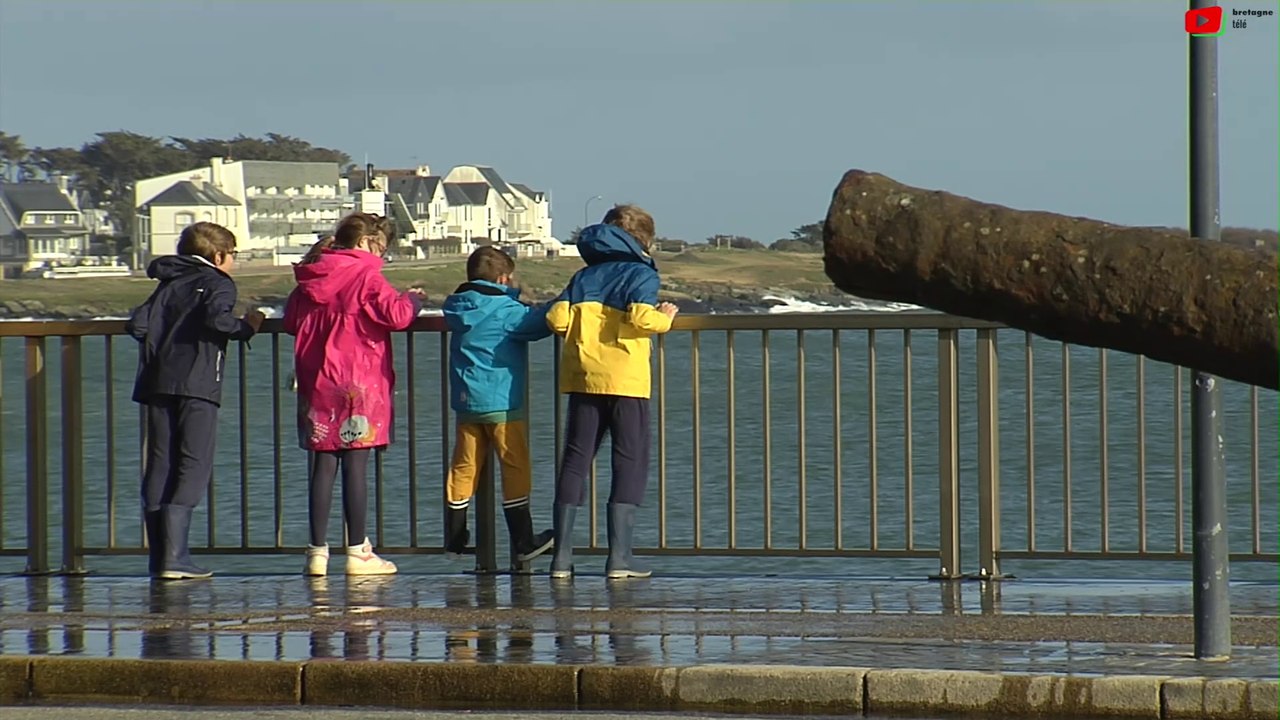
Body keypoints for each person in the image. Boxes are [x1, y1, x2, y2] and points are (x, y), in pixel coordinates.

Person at [283, 213, 425, 577]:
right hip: (360, 383)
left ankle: (317, 552)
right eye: (378, 246)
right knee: (356, 466)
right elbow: (396, 316)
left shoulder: (310, 278)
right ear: (364, 243)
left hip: (317, 381)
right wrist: (413, 299)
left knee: (323, 465)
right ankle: (358, 551)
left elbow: (290, 322)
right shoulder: (366, 276)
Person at [545, 205, 679, 580]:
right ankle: (619, 557)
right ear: (643, 240)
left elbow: (556, 319)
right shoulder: (641, 273)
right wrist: (665, 318)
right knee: (629, 460)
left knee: (575, 459)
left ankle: (561, 560)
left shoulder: (584, 275)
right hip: (625, 379)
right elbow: (640, 318)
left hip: (582, 377)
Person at [126, 221, 265, 580]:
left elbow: (138, 325)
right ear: (218, 255)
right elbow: (216, 321)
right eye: (232, 254)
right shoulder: (219, 282)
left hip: (156, 380)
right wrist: (246, 327)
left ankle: (160, 557)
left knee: (160, 462)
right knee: (193, 463)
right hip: (197, 383)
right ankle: (176, 557)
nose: (233, 261)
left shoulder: (168, 282)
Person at [442, 246, 555, 565]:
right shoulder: (506, 310)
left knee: (464, 467)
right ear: (503, 278)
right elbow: (540, 324)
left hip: (467, 402)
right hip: (503, 404)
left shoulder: (457, 307)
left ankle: (454, 536)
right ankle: (523, 540)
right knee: (514, 466)